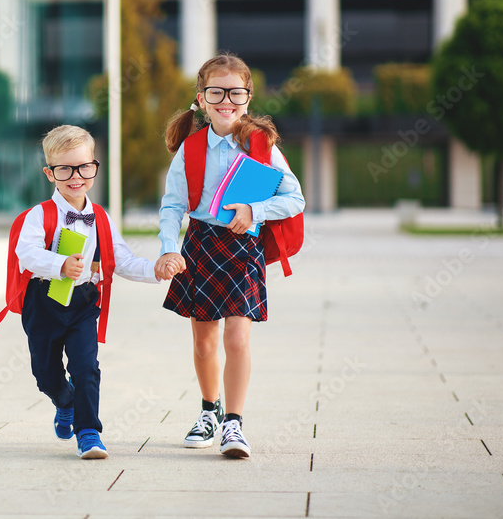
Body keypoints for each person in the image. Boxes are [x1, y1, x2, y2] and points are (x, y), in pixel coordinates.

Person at [156, 54, 304, 458]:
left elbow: (295, 198)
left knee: (237, 337)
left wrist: (254, 211)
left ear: (248, 96)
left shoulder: (262, 145)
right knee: (205, 344)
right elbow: (171, 206)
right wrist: (169, 249)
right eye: (216, 92)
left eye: (235, 92)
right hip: (200, 246)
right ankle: (210, 410)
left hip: (243, 248)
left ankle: (234, 425)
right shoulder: (188, 149)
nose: (226, 100)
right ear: (201, 98)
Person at [16, 124, 179, 459]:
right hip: (43, 301)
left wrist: (155, 268)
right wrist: (59, 264)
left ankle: (89, 432)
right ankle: (64, 400)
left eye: (84, 167)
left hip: (83, 302)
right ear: (50, 173)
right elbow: (26, 252)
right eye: (65, 169)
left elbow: (122, 259)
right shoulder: (39, 215)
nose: (76, 176)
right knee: (45, 373)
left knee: (86, 365)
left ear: (94, 166)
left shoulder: (101, 218)